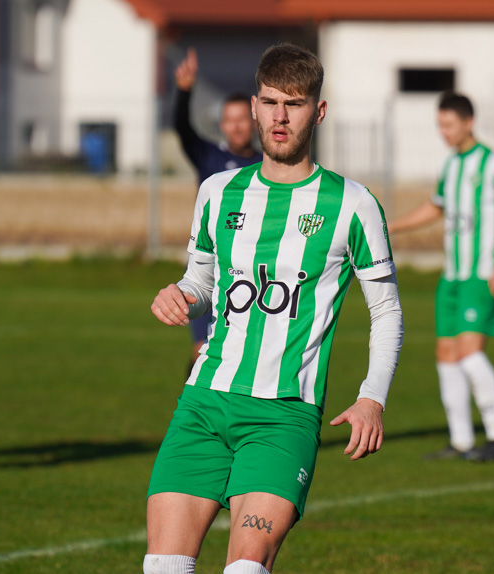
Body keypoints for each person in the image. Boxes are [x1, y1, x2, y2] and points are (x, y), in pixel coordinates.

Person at [144, 43, 403, 574]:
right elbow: (202, 279)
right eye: (269, 102)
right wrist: (180, 294)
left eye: (295, 103)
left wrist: (372, 398)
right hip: (203, 403)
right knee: (162, 567)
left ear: (319, 111)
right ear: (255, 107)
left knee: (244, 568)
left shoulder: (353, 204)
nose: (279, 117)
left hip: (283, 415)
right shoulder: (218, 191)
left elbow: (387, 311)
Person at [388, 92, 494, 462]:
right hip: (451, 278)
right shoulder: (451, 165)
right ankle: (462, 441)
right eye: (440, 125)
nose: (444, 132)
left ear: (469, 122)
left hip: (479, 276)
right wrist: (391, 226)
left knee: (469, 355)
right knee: (446, 356)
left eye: (449, 124)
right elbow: (436, 206)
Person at [173, 48, 263, 366]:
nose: (236, 126)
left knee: (244, 355)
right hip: (210, 267)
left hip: (251, 271)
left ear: (253, 122)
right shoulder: (209, 157)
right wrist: (185, 91)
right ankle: (195, 415)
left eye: (242, 119)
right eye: (229, 120)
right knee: (202, 354)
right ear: (221, 124)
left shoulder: (267, 166)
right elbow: (182, 130)